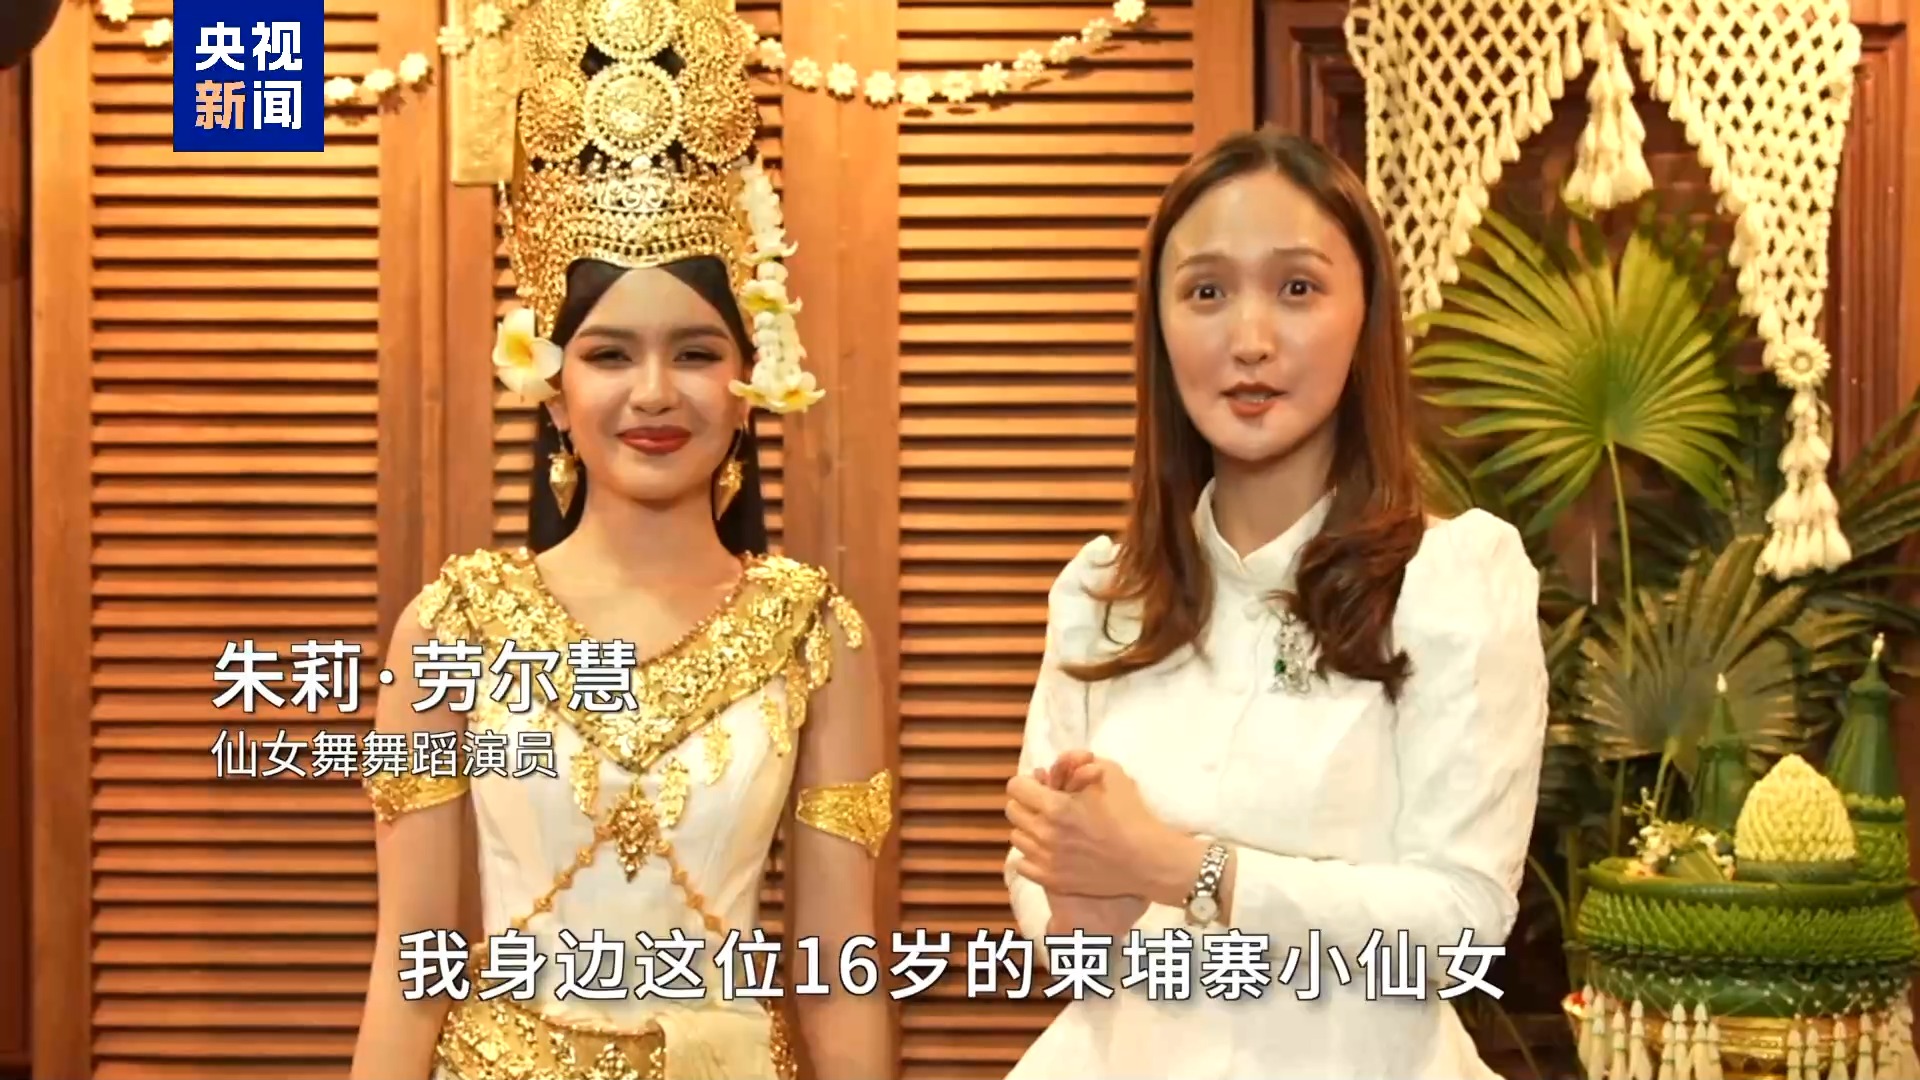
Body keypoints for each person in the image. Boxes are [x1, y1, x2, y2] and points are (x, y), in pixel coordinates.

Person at [346, 5, 893, 1078]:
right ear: (551, 389)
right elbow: (410, 966)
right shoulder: (451, 629)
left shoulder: (816, 633)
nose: (653, 394)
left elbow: (840, 974)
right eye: (608, 356)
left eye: (694, 353)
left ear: (748, 382)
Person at [1000, 127, 1549, 1077]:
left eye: (1297, 288)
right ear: (1160, 326)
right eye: (1206, 292)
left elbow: (1461, 921)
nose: (1249, 340)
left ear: (1365, 315)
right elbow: (1062, 920)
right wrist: (1085, 910)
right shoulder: (1100, 593)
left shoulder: (1454, 577)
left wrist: (1181, 868)